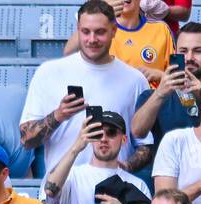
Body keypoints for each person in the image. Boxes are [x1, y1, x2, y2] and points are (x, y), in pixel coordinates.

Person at [19, 1, 155, 180]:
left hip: (115, 191)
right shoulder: (48, 72)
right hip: (60, 191)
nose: (92, 39)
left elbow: (145, 145)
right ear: (78, 30)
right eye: (85, 32)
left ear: (114, 30)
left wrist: (126, 166)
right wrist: (59, 115)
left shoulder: (135, 80)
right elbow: (27, 140)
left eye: (100, 32)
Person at [131, 22, 201, 156]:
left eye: (197, 51)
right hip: (169, 175)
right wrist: (159, 94)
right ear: (175, 53)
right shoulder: (156, 95)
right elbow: (137, 131)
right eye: (183, 51)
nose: (189, 58)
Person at [65, 0, 171, 85]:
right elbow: (68, 52)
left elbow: (179, 81)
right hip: (108, 105)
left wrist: (160, 75)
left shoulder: (161, 29)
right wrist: (100, 15)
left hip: (151, 105)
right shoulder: (99, 30)